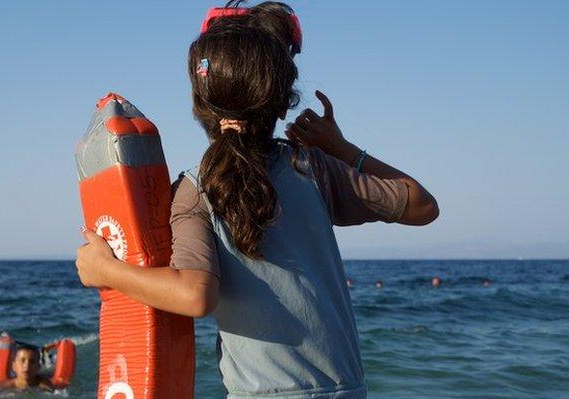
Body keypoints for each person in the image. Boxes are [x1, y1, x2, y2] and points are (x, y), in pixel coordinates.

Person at [74, 2, 438, 397]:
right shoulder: (312, 168)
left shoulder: (196, 191)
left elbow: (195, 293)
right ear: (282, 104)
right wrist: (344, 149)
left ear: (200, 106)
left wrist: (106, 272)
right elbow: (423, 206)